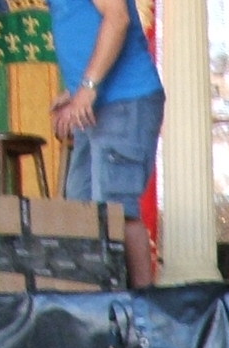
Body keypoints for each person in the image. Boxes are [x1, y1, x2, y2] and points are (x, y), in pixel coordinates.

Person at [48, 0, 164, 287]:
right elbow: (83, 25)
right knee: (81, 210)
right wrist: (74, 91)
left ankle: (144, 305)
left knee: (116, 210)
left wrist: (87, 88)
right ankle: (98, 303)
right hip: (97, 104)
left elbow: (117, 18)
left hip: (125, 99)